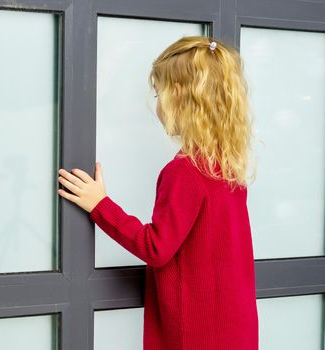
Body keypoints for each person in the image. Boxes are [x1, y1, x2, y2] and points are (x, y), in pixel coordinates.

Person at [57, 35, 259, 350]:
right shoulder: (226, 167)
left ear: (178, 95)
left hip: (194, 335)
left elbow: (156, 248)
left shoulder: (185, 172)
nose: (157, 103)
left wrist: (100, 205)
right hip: (236, 328)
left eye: (158, 92)